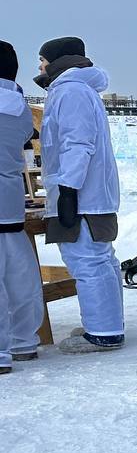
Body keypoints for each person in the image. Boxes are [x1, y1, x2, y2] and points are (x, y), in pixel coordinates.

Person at [34, 37, 125, 353]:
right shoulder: (76, 89)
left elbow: (77, 145)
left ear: (57, 61)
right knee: (100, 260)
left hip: (82, 195)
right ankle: (107, 324)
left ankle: (104, 332)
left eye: (42, 60)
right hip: (91, 194)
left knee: (88, 261)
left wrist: (68, 190)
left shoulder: (71, 91)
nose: (40, 67)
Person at [0, 41, 42, 372]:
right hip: (10, 198)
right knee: (19, 273)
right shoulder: (18, 104)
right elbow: (27, 133)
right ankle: (24, 341)